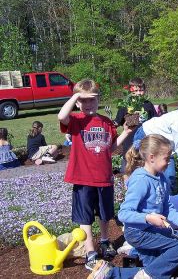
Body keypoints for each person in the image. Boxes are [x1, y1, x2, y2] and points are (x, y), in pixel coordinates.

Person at [88, 134, 178, 279]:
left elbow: (167, 208)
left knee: (155, 268)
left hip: (150, 230)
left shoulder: (161, 178)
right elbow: (124, 214)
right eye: (166, 158)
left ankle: (110, 273)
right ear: (152, 157)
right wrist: (148, 218)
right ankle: (146, 272)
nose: (170, 163)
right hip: (137, 233)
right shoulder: (141, 180)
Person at [57, 79, 133, 271]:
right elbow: (61, 116)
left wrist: (126, 132)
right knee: (86, 216)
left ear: (98, 100)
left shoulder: (106, 122)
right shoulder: (75, 120)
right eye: (84, 101)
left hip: (104, 176)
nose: (88, 104)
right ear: (77, 102)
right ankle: (90, 249)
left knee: (105, 213)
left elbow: (112, 147)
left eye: (92, 100)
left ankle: (105, 241)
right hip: (83, 177)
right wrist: (76, 96)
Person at [114, 78, 157, 172]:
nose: (138, 93)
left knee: (145, 167)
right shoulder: (125, 105)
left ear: (144, 90)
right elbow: (117, 122)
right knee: (127, 169)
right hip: (129, 142)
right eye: (135, 90)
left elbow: (155, 121)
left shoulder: (148, 105)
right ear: (130, 91)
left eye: (141, 90)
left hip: (145, 142)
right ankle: (126, 185)